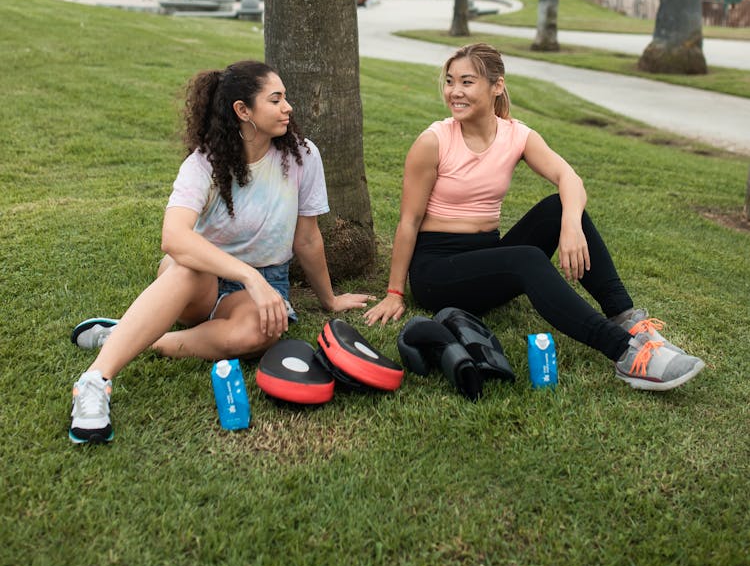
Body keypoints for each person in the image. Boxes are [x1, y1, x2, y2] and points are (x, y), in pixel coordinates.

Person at [364, 43, 705, 392]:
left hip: (485, 263)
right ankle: (625, 354)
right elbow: (409, 220)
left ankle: (629, 320)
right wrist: (395, 292)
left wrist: (570, 224)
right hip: (438, 273)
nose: (454, 92)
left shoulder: (515, 135)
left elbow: (568, 178)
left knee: (559, 207)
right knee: (525, 259)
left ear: (497, 85)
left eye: (467, 82)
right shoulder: (433, 141)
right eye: (450, 82)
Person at [69, 59, 373, 443]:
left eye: (286, 98)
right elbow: (174, 238)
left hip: (263, 282)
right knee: (185, 266)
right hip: (199, 280)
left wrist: (328, 299)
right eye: (275, 99)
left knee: (260, 334)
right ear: (243, 111)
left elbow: (307, 238)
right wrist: (247, 275)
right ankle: (95, 381)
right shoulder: (205, 163)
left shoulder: (302, 155)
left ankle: (133, 336)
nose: (288, 107)